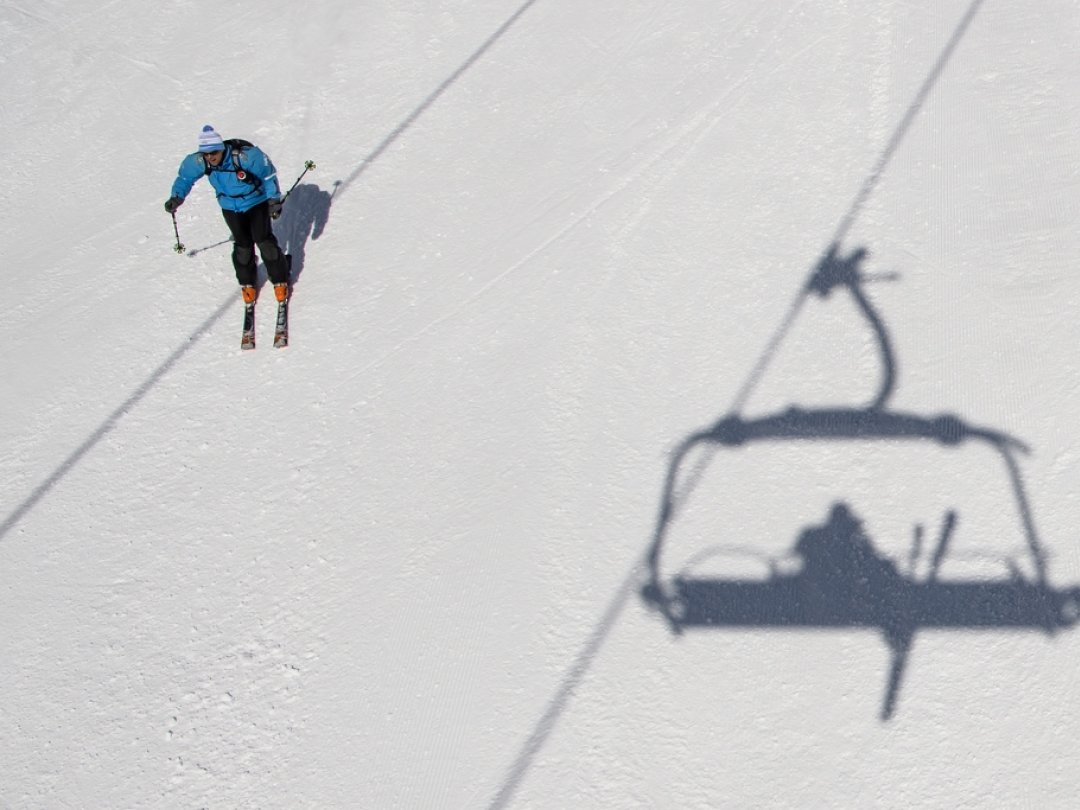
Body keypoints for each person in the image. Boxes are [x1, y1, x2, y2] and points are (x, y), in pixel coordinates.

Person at [164, 125, 290, 305]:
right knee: (242, 245)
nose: (211, 157)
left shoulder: (245, 156)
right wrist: (176, 198)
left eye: (214, 152)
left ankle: (279, 279)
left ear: (221, 148)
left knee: (264, 240)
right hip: (230, 206)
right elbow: (185, 178)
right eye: (206, 154)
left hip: (256, 202)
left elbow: (268, 175)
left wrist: (273, 201)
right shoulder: (200, 162)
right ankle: (247, 282)